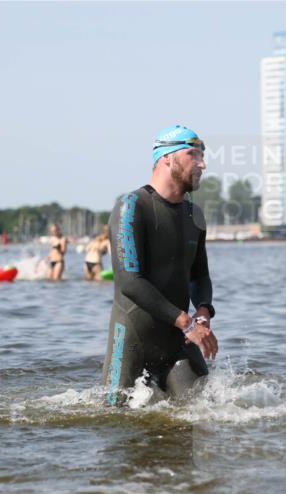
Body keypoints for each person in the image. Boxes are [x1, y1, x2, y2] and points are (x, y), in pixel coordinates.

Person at [102, 125, 218, 405]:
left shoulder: (194, 214)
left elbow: (199, 275)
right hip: (133, 340)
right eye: (193, 155)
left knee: (206, 413)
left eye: (202, 156)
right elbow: (130, 282)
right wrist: (186, 322)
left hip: (177, 342)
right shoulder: (131, 206)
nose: (202, 164)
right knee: (112, 420)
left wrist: (203, 312)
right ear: (167, 158)